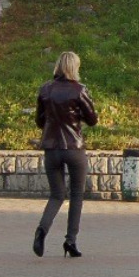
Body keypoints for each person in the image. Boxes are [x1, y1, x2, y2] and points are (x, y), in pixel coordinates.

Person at [33, 51, 98, 258]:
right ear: (74, 67)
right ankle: (71, 241)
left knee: (56, 195)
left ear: (58, 66)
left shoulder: (45, 89)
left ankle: (41, 230)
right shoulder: (79, 90)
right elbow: (92, 119)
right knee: (77, 194)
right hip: (73, 148)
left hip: (51, 148)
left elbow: (39, 120)